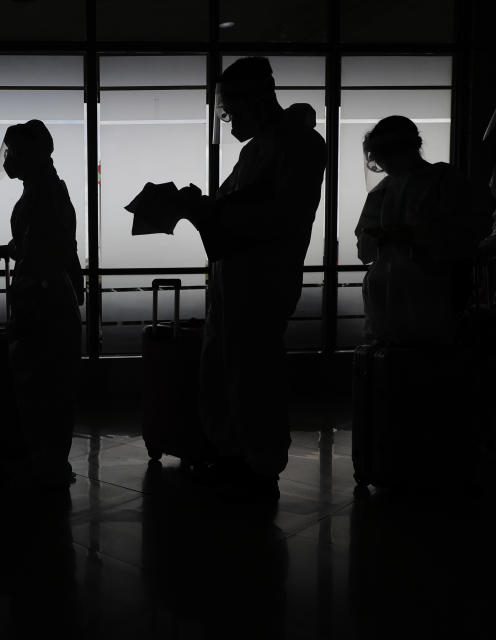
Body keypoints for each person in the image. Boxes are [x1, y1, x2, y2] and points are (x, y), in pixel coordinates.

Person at [176, 57, 327, 502]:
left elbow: (281, 216)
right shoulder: (256, 150)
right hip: (235, 278)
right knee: (223, 368)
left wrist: (210, 212)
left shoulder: (300, 146)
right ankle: (232, 455)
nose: (230, 122)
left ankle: (259, 466)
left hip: (263, 279)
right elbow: (235, 205)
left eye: (232, 112)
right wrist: (204, 207)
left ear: (256, 102)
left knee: (253, 375)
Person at [0, 119, 84, 489]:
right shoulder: (45, 190)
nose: (7, 159)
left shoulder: (42, 194)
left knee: (42, 384)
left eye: (12, 152)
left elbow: (42, 247)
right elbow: (41, 241)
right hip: (47, 297)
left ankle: (47, 462)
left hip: (42, 301)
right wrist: (7, 248)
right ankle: (47, 460)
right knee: (46, 383)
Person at [355, 115, 493, 344]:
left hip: (431, 292)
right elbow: (365, 250)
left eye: (385, 155)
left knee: (426, 364)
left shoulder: (444, 179)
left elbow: (471, 232)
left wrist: (414, 237)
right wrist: (377, 238)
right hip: (387, 294)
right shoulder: (383, 189)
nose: (382, 164)